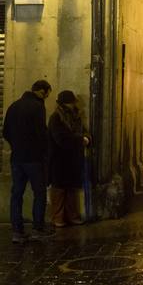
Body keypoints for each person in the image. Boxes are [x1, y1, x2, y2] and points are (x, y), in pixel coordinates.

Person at [2, 79, 53, 243]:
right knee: (39, 192)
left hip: (17, 158)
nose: (46, 97)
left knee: (16, 194)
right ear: (42, 91)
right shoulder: (38, 107)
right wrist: (44, 151)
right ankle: (38, 228)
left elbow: (5, 132)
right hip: (34, 158)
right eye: (47, 94)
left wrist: (17, 145)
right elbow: (41, 133)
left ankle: (17, 231)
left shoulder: (14, 106)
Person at [47, 90, 89, 227]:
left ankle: (72, 215)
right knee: (59, 189)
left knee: (72, 188)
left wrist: (87, 138)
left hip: (74, 158)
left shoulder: (76, 116)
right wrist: (80, 140)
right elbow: (61, 138)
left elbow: (84, 130)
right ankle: (58, 217)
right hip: (60, 159)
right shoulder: (56, 118)